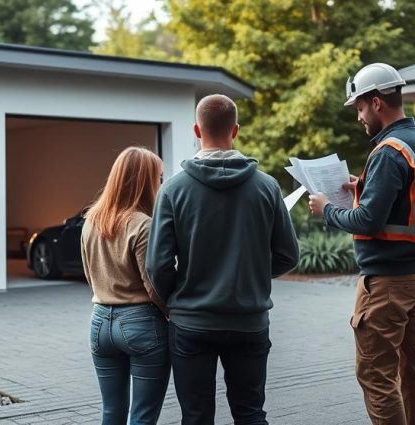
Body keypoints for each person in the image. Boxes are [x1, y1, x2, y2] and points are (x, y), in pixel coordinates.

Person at [147, 94, 299, 425]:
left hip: (191, 322)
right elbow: (289, 255)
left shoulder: (173, 190)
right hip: (250, 321)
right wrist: (252, 275)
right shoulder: (267, 188)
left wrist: (178, 296)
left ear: (197, 130)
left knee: (196, 416)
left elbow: (156, 265)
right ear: (236, 130)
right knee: (250, 413)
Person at [308, 62, 415, 425]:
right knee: (414, 369)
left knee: (377, 376)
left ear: (376, 102)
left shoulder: (388, 151)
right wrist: (365, 190)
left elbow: (367, 222)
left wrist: (326, 210)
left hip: (388, 285)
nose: (359, 117)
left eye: (359, 108)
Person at [81, 146, 171, 425]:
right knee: (142, 416)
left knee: (112, 412)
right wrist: (173, 311)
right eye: (158, 178)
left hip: (99, 325)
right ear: (144, 181)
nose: (161, 184)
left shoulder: (91, 220)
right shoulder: (143, 224)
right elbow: (153, 285)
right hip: (141, 324)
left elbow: (90, 274)